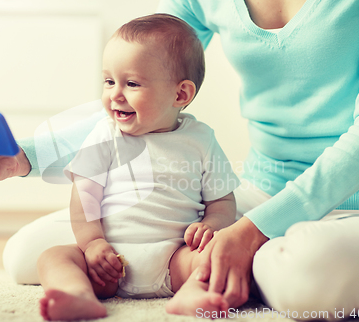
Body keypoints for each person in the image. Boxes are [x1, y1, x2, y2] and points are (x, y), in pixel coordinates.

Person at [0, 0, 359, 320]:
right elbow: (136, 89)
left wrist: (250, 231)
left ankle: (233, 270)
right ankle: (234, 270)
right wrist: (24, 157)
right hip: (261, 192)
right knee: (27, 254)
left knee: (309, 282)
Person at [36, 14, 241, 321]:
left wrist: (211, 225)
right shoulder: (105, 135)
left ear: (180, 94)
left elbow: (223, 202)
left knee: (215, 258)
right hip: (108, 262)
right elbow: (85, 198)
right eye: (109, 81)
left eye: (131, 83)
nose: (114, 94)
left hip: (175, 258)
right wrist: (92, 245)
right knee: (54, 257)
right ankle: (77, 294)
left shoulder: (201, 140)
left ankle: (190, 294)